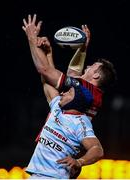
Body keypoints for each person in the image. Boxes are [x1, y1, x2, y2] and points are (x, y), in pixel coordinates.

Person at [22, 14, 116, 179]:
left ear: (97, 77)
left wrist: (31, 38)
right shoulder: (82, 93)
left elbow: (46, 71)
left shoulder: (85, 94)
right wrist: (51, 53)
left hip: (55, 173)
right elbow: (60, 78)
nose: (88, 65)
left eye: (93, 66)